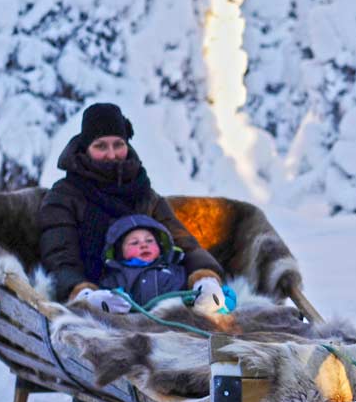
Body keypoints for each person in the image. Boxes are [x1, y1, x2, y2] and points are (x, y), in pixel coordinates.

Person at [38, 102, 225, 315]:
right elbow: (61, 256)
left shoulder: (144, 193)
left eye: (118, 144)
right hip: (99, 297)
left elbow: (183, 242)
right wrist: (82, 293)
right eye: (101, 146)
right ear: (85, 148)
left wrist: (204, 278)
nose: (111, 154)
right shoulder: (65, 196)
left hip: (153, 296)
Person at [96, 215, 188, 310]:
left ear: (160, 246)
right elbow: (105, 298)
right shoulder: (115, 277)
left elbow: (183, 291)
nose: (144, 245)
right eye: (134, 243)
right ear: (120, 251)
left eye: (149, 241)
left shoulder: (173, 270)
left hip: (168, 319)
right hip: (129, 322)